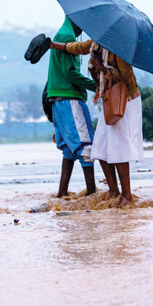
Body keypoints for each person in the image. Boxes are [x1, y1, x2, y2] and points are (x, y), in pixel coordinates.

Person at [50, 38, 143, 208]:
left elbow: (127, 78)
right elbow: (78, 47)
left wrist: (102, 68)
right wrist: (53, 45)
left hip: (125, 100)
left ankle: (127, 196)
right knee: (100, 146)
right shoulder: (96, 43)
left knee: (118, 147)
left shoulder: (118, 46)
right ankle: (114, 192)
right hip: (109, 99)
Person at [46, 17, 98, 198]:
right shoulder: (67, 36)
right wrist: (97, 86)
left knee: (69, 148)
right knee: (86, 147)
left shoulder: (61, 34)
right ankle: (92, 194)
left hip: (57, 98)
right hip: (70, 97)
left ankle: (62, 193)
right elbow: (70, 73)